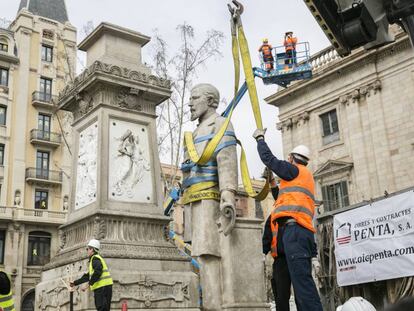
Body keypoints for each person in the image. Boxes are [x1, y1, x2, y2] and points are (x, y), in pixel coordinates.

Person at [181, 83, 238, 310]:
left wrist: (228, 194)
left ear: (211, 100)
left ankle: (215, 306)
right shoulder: (195, 131)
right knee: (200, 255)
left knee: (208, 254)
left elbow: (227, 160)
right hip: (193, 201)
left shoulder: (221, 124)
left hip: (209, 199)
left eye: (195, 98)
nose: (190, 103)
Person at [253, 127, 323, 311]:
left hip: (295, 232)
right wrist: (272, 184)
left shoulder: (295, 170)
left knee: (302, 286)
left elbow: (270, 160)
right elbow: (282, 199)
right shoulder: (301, 178)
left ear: (292, 158)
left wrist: (260, 140)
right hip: (300, 233)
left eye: (289, 158)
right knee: (301, 286)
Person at [70, 239, 113, 311]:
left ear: (92, 249)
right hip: (104, 287)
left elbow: (98, 272)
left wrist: (88, 285)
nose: (87, 251)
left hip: (102, 288)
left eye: (88, 249)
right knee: (104, 308)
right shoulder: (95, 259)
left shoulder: (95, 259)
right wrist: (75, 283)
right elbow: (88, 276)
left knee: (101, 308)